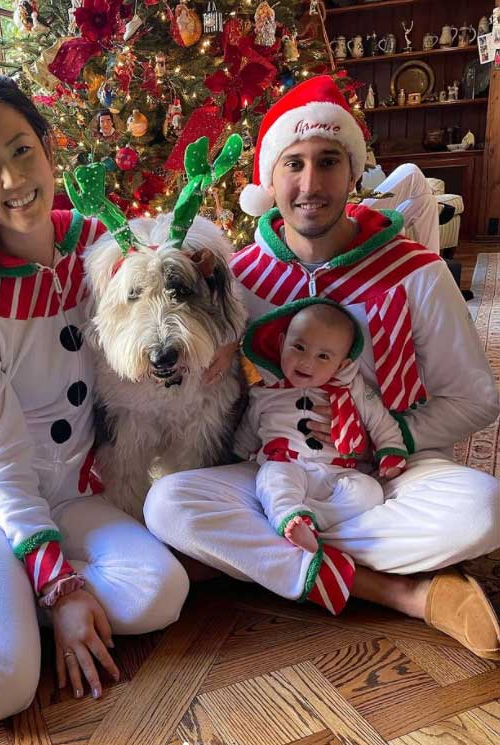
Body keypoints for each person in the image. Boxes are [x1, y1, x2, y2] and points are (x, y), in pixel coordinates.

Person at [144, 75, 500, 659]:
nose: (310, 184)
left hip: (392, 469)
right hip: (281, 469)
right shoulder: (238, 281)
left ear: (353, 170)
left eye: (328, 161)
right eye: (294, 164)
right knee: (168, 505)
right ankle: (399, 591)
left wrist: (382, 437)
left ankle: (265, 557)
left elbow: (476, 400)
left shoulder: (417, 271)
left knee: (483, 511)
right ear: (270, 179)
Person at [0, 74, 189, 725]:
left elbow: (176, 278)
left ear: (47, 146)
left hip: (71, 488)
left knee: (159, 590)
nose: (12, 178)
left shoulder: (98, 244)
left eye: (21, 149)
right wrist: (61, 586)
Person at [243, 300, 407, 611]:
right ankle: (290, 516)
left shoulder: (352, 389)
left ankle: (312, 520)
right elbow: (247, 432)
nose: (307, 362)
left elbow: (381, 422)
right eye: (299, 347)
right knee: (272, 480)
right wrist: (237, 455)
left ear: (342, 364)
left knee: (369, 491)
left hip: (338, 470)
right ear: (282, 342)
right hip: (287, 462)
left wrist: (390, 453)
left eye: (323, 356)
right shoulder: (266, 392)